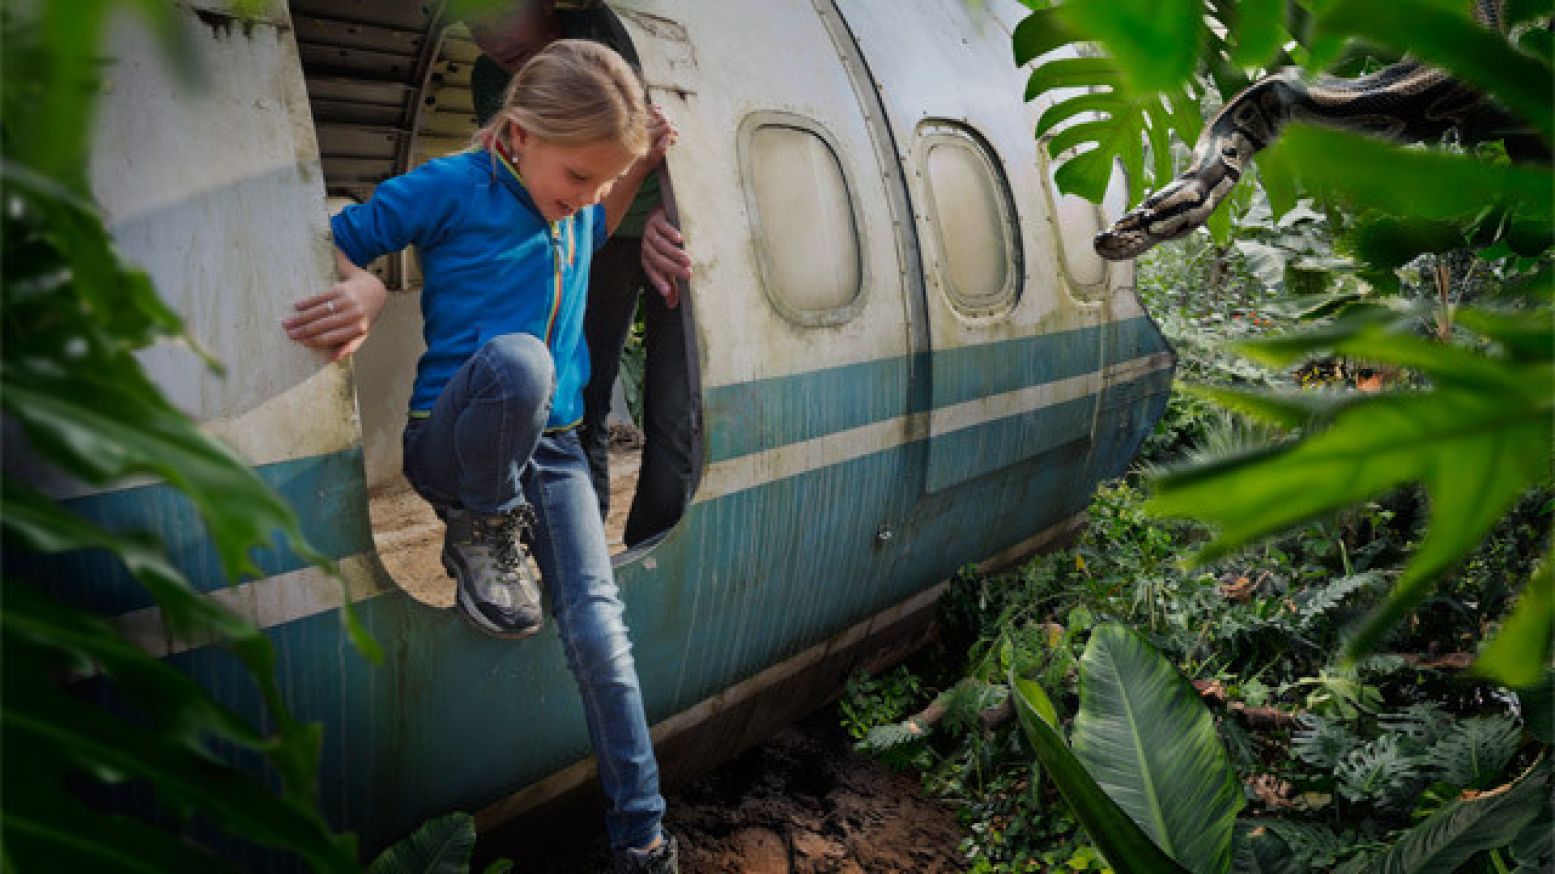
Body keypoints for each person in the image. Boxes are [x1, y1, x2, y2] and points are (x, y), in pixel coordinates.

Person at [283, 40, 678, 873]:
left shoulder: (573, 205)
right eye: (579, 177)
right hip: (453, 445)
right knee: (519, 362)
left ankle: (643, 840)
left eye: (602, 183)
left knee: (602, 632)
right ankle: (483, 528)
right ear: (520, 132)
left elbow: (592, 218)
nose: (586, 200)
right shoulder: (451, 186)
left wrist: (630, 178)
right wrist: (364, 285)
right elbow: (335, 235)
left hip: (558, 451)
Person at [469, 0, 695, 549]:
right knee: (577, 402)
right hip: (589, 237)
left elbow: (683, 124)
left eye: (502, 12)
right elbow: (524, 181)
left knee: (677, 409)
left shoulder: (612, 29)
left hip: (672, 234)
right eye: (475, 24)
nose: (494, 39)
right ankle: (579, 549)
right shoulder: (490, 78)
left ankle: (653, 546)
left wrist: (678, 204)